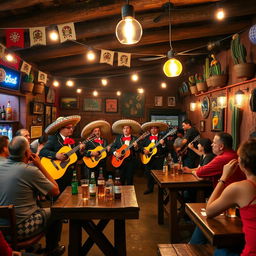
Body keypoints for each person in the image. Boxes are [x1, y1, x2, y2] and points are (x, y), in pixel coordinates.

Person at [0, 136, 64, 256]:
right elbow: (55, 190)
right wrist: (39, 165)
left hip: (1, 230)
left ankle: (33, 248)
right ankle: (52, 250)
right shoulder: (30, 171)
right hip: (19, 229)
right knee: (56, 212)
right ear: (27, 152)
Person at [189, 133, 245, 246]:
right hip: (236, 204)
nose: (211, 144)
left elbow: (200, 172)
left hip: (228, 204)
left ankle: (195, 246)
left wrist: (195, 172)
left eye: (214, 142)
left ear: (221, 146)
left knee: (204, 218)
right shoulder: (233, 155)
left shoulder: (223, 158)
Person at [206, 139, 256, 256]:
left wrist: (224, 177)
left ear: (243, 163)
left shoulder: (242, 188)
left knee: (220, 251)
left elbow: (209, 211)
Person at [39, 115, 84, 194]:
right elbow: (43, 151)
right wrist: (55, 155)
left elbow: (75, 157)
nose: (71, 129)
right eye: (68, 128)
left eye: (72, 127)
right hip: (58, 173)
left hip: (70, 174)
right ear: (60, 128)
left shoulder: (71, 140)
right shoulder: (54, 139)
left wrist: (81, 151)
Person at [140, 121, 168, 194]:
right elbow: (140, 146)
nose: (153, 130)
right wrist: (144, 150)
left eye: (155, 128)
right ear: (150, 129)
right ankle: (150, 188)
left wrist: (163, 144)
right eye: (152, 128)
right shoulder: (146, 137)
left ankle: (162, 189)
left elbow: (168, 149)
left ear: (158, 129)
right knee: (149, 175)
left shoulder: (162, 138)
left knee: (160, 175)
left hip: (159, 159)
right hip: (149, 159)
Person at [111, 119, 141, 185]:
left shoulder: (135, 139)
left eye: (127, 128)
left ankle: (129, 194)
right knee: (121, 180)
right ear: (122, 130)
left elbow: (139, 150)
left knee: (130, 180)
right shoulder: (118, 138)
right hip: (120, 161)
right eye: (124, 128)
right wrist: (116, 153)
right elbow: (112, 148)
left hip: (130, 162)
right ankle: (121, 194)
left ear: (130, 129)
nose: (125, 130)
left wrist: (136, 147)